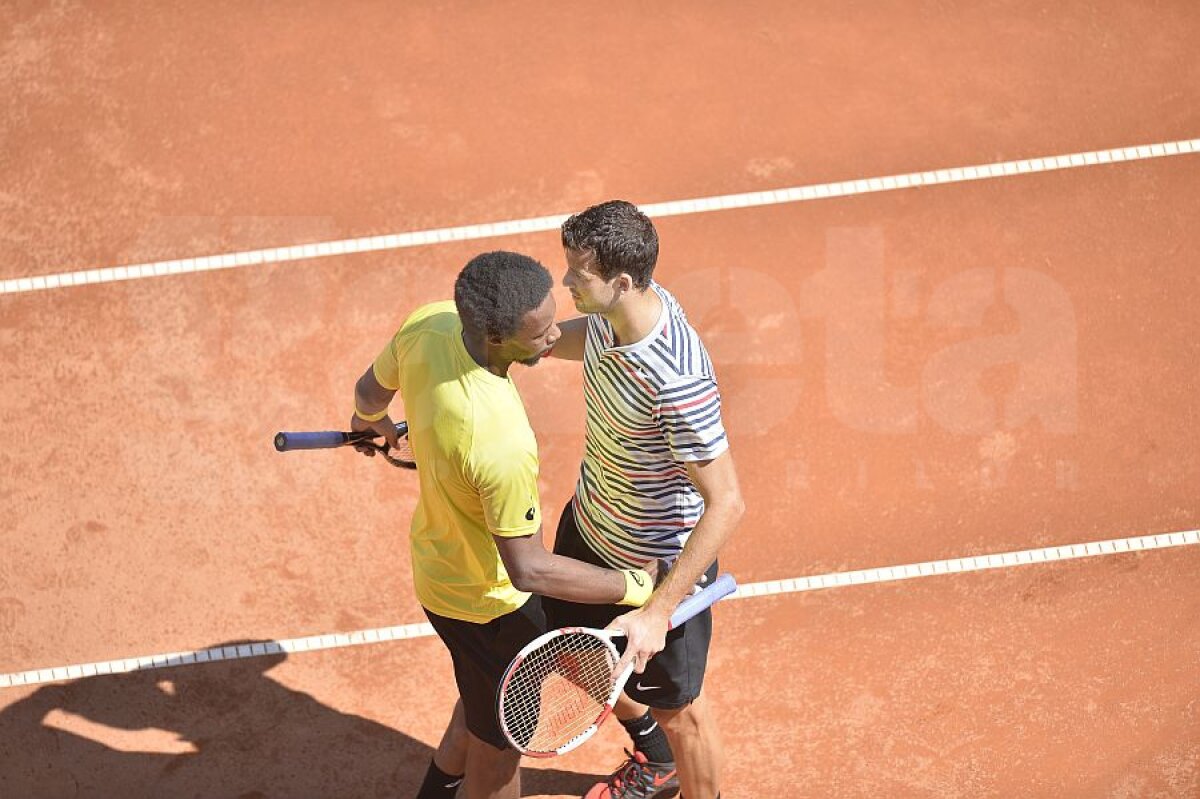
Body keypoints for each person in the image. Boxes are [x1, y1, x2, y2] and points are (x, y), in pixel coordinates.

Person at [350, 251, 660, 799]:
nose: (553, 338)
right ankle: (655, 749)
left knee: (513, 677)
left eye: (551, 318)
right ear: (495, 336)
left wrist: (371, 424)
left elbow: (367, 395)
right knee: (497, 756)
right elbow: (529, 568)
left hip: (442, 573)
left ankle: (654, 750)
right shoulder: (500, 441)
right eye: (539, 334)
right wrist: (639, 586)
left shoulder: (429, 322)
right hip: (485, 601)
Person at [544, 201, 745, 799]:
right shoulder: (615, 314)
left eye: (576, 274)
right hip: (589, 527)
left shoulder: (676, 381)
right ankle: (653, 760)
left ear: (621, 282)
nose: (565, 282)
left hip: (653, 565)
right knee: (577, 655)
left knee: (682, 713)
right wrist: (532, 345)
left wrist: (659, 610)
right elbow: (593, 340)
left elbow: (728, 502)